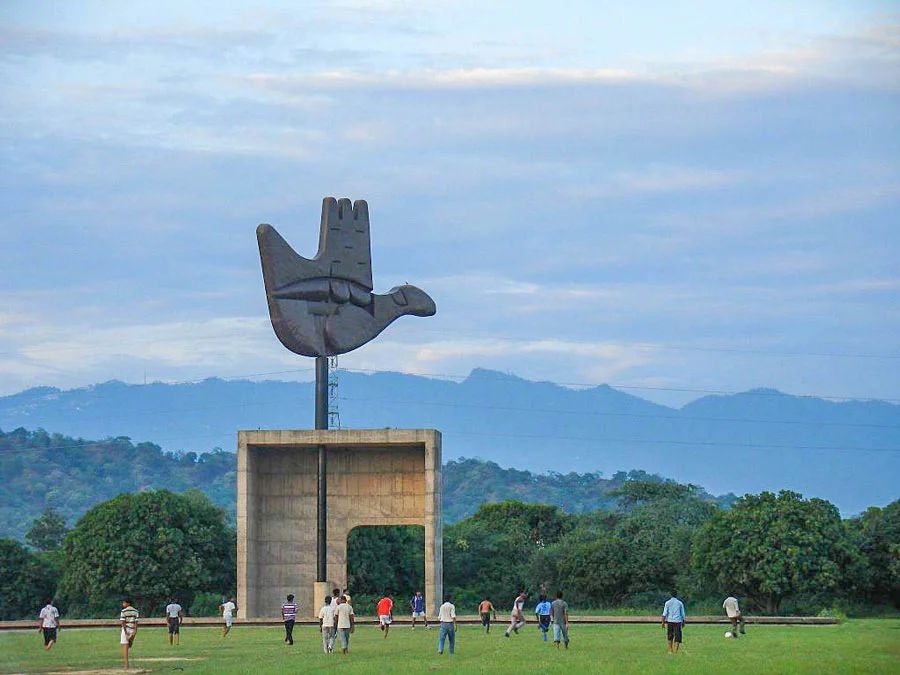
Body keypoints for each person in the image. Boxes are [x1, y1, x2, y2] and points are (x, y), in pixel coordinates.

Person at [661, 590, 686, 654]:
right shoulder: (680, 603)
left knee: (670, 635)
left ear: (670, 595)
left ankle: (670, 650)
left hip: (670, 621)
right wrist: (683, 622)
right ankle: (675, 651)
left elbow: (664, 614)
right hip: (677, 621)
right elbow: (682, 614)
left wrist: (663, 622)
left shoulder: (667, 603)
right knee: (678, 636)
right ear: (676, 595)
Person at [119, 598, 139, 669]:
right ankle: (130, 639)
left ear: (128, 603)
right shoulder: (136, 611)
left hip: (126, 629)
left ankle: (126, 665)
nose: (123, 604)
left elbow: (123, 623)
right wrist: (135, 631)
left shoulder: (123, 611)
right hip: (132, 629)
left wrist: (126, 632)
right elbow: (136, 623)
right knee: (129, 645)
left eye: (124, 603)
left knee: (125, 647)